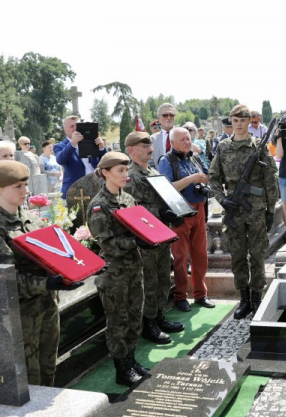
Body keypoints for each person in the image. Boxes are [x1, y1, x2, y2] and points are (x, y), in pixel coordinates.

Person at [0, 161, 82, 386]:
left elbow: (53, 252)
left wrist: (79, 266)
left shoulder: (29, 218)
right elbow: (3, 282)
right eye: (18, 186)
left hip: (46, 306)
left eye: (25, 184)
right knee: (28, 378)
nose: (26, 191)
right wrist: (48, 283)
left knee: (48, 366)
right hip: (19, 316)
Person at [87, 152, 153, 386]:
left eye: (126, 170)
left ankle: (131, 359)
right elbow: (107, 244)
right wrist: (137, 242)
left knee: (135, 318)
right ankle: (121, 368)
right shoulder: (99, 206)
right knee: (118, 322)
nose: (125, 175)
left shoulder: (127, 199)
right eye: (120, 171)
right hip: (114, 274)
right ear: (105, 173)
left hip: (134, 269)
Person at [209, 105, 278, 320]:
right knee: (237, 256)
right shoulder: (222, 147)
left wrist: (270, 209)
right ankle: (244, 298)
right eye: (235, 120)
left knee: (257, 255)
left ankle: (257, 296)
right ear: (231, 121)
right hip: (233, 209)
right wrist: (222, 199)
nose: (238, 123)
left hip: (256, 209)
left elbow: (270, 178)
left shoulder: (259, 146)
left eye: (243, 119)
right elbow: (212, 177)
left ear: (249, 121)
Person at [123, 131, 185, 344]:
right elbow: (134, 208)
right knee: (149, 280)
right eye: (143, 146)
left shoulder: (152, 171)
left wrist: (177, 211)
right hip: (146, 238)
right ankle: (148, 323)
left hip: (161, 235)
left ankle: (158, 315)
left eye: (150, 145)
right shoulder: (131, 176)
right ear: (131, 150)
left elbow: (165, 197)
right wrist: (160, 213)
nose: (150, 149)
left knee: (161, 277)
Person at [159, 127, 214, 311]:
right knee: (181, 257)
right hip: (180, 212)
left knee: (200, 253)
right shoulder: (166, 160)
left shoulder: (195, 157)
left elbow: (207, 176)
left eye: (188, 139)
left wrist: (203, 180)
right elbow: (167, 187)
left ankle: (201, 294)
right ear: (172, 143)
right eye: (182, 139)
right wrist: (191, 179)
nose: (187, 142)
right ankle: (180, 296)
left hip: (199, 209)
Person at [54, 115, 107, 199]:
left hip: (95, 186)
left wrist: (101, 148)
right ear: (65, 130)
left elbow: (105, 162)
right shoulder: (60, 146)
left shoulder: (91, 141)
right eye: (71, 126)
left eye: (77, 126)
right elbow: (60, 160)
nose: (75, 129)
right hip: (74, 188)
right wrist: (72, 143)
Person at [151, 104, 176, 169]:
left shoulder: (183, 136)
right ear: (159, 119)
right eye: (165, 115)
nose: (169, 117)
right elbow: (150, 161)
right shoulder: (152, 139)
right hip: (159, 177)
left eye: (171, 115)